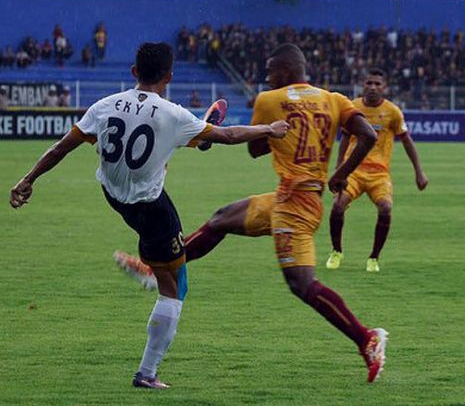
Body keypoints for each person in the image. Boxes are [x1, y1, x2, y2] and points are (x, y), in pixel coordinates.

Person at [9, 42, 289, 389]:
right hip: (152, 208)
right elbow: (230, 134)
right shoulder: (172, 114)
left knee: (151, 166)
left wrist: (28, 179)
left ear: (133, 72)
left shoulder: (104, 105)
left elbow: (60, 148)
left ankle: (152, 267)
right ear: (169, 76)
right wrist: (269, 129)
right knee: (176, 287)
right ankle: (147, 372)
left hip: (114, 196)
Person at [113, 43, 389, 383]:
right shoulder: (334, 99)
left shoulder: (270, 100)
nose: (267, 77)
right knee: (221, 220)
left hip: (294, 207)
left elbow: (256, 149)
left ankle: (367, 339)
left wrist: (266, 131)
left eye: (271, 71)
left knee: (302, 285)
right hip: (297, 198)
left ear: (286, 71)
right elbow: (366, 135)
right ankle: (156, 271)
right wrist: (341, 174)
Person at [326, 68, 428, 272]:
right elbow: (345, 138)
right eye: (369, 83)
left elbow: (407, 140)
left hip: (379, 174)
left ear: (385, 88)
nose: (372, 87)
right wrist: (339, 169)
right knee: (337, 207)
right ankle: (336, 251)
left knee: (385, 208)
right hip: (353, 171)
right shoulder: (352, 107)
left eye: (377, 84)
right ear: (363, 85)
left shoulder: (392, 112)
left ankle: (374, 258)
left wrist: (419, 171)